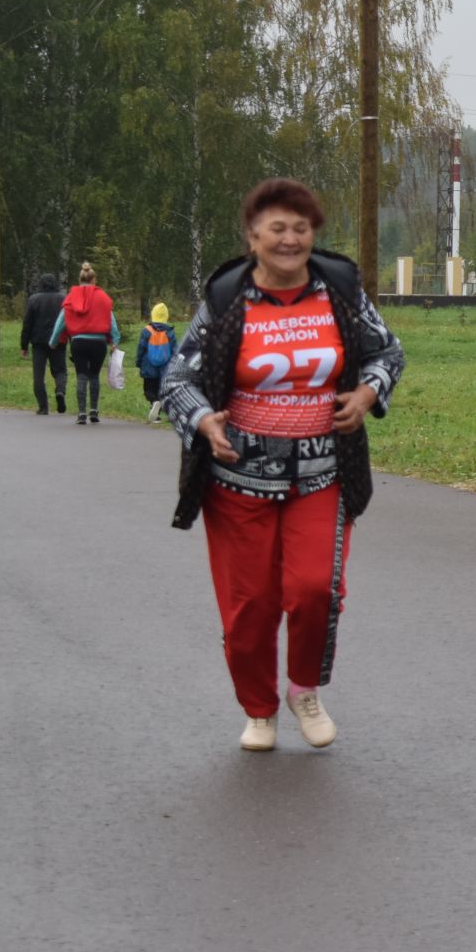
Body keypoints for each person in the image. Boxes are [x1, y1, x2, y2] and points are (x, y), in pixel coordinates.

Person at [162, 177, 403, 752]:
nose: (291, 239)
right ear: (253, 238)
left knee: (315, 588)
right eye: (278, 229)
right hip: (236, 482)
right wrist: (202, 421)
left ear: (313, 234)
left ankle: (303, 690)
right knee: (250, 607)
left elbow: (386, 351)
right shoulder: (225, 300)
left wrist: (368, 393)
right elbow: (177, 377)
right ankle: (259, 709)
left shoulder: (340, 290)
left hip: (323, 474)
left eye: (301, 228)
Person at [50, 264, 118, 425]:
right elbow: (111, 320)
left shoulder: (71, 298)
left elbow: (61, 320)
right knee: (94, 375)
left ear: (79, 280)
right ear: (94, 280)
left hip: (79, 342)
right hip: (98, 342)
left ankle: (81, 414)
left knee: (81, 375)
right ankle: (93, 411)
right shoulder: (102, 297)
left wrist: (53, 341)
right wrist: (114, 340)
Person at [19, 273, 68, 415]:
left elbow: (27, 323)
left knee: (38, 375)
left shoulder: (34, 299)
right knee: (60, 370)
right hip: (58, 340)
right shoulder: (62, 299)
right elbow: (67, 320)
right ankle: (60, 390)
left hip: (38, 341)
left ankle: (43, 407)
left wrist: (24, 345)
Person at [134, 302, 177, 423]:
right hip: (164, 367)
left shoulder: (147, 330)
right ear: (166, 316)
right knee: (161, 390)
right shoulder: (169, 332)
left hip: (149, 366)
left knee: (148, 390)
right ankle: (158, 414)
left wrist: (138, 362)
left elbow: (141, 348)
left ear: (153, 315)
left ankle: (154, 403)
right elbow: (175, 350)